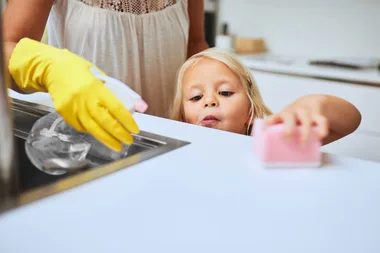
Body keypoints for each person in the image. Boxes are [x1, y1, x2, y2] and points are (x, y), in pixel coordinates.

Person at [3, 0, 208, 152]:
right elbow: (6, 48)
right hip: (85, 151)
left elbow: (195, 44)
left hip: (171, 149)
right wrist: (47, 67)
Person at [170, 48, 362, 145]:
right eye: (196, 97)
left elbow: (351, 119)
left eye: (225, 92)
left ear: (250, 111)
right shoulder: (180, 149)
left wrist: (308, 106)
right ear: (183, 118)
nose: (209, 101)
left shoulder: (266, 140)